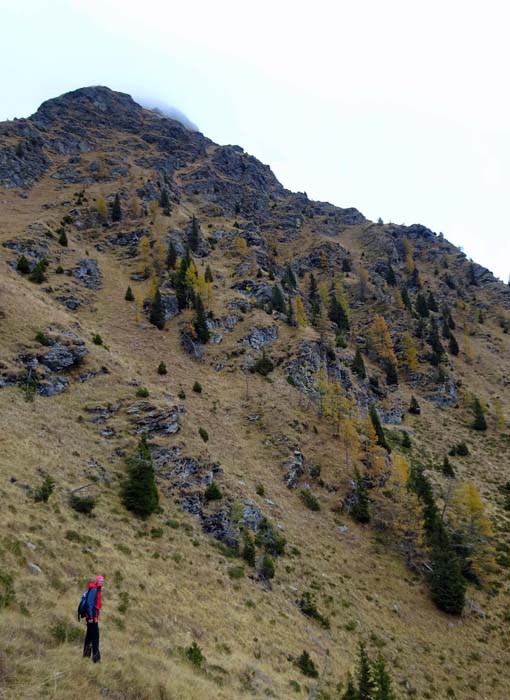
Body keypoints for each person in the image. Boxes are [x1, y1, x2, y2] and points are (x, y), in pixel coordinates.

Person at [83, 575, 104, 663]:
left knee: (89, 636)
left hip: (92, 617)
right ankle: (96, 659)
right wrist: (91, 617)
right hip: (92, 618)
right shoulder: (94, 590)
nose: (102, 582)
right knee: (95, 637)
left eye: (103, 581)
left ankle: (86, 656)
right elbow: (89, 604)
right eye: (100, 581)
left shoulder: (96, 589)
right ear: (96, 581)